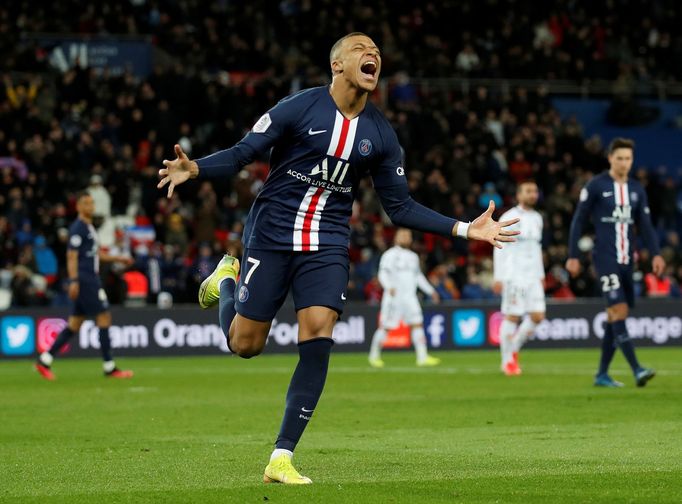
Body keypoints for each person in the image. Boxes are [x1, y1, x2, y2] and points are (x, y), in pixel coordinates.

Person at [158, 32, 519, 484]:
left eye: (377, 53)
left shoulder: (381, 134)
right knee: (245, 345)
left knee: (319, 332)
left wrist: (467, 228)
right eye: (361, 50)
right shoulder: (299, 107)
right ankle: (226, 278)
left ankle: (281, 456)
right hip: (271, 235)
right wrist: (194, 168)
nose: (373, 55)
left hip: (327, 243)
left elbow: (400, 207)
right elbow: (243, 153)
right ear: (336, 65)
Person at [566, 138, 664, 388]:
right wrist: (573, 255)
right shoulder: (596, 186)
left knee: (616, 315)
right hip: (605, 258)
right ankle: (637, 369)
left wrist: (656, 253)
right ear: (610, 158)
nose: (624, 163)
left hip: (626, 260)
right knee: (618, 310)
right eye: (619, 158)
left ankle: (601, 374)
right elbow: (578, 221)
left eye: (628, 158)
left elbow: (646, 226)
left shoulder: (636, 189)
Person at [35, 192, 134, 381]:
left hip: (87, 278)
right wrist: (73, 281)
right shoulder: (78, 228)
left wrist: (118, 258)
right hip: (86, 279)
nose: (90, 207)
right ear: (79, 207)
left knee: (75, 323)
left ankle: (44, 360)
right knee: (104, 316)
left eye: (91, 203)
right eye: (86, 203)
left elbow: (95, 254)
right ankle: (109, 367)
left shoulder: (89, 227)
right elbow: (71, 256)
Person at [492, 181, 546, 376]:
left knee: (537, 317)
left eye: (535, 191)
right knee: (512, 316)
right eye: (528, 191)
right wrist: (498, 276)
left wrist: (541, 275)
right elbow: (498, 246)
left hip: (533, 276)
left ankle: (512, 348)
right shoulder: (509, 217)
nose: (533, 194)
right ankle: (507, 361)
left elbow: (537, 249)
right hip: (514, 275)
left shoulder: (538, 218)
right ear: (518, 195)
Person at [368, 228, 441, 368]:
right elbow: (382, 274)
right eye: (403, 235)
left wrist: (431, 291)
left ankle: (422, 357)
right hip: (394, 297)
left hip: (410, 297)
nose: (406, 238)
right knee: (385, 327)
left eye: (408, 236)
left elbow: (418, 276)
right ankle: (374, 355)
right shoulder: (389, 255)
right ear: (396, 238)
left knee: (417, 324)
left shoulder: (413, 256)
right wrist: (389, 287)